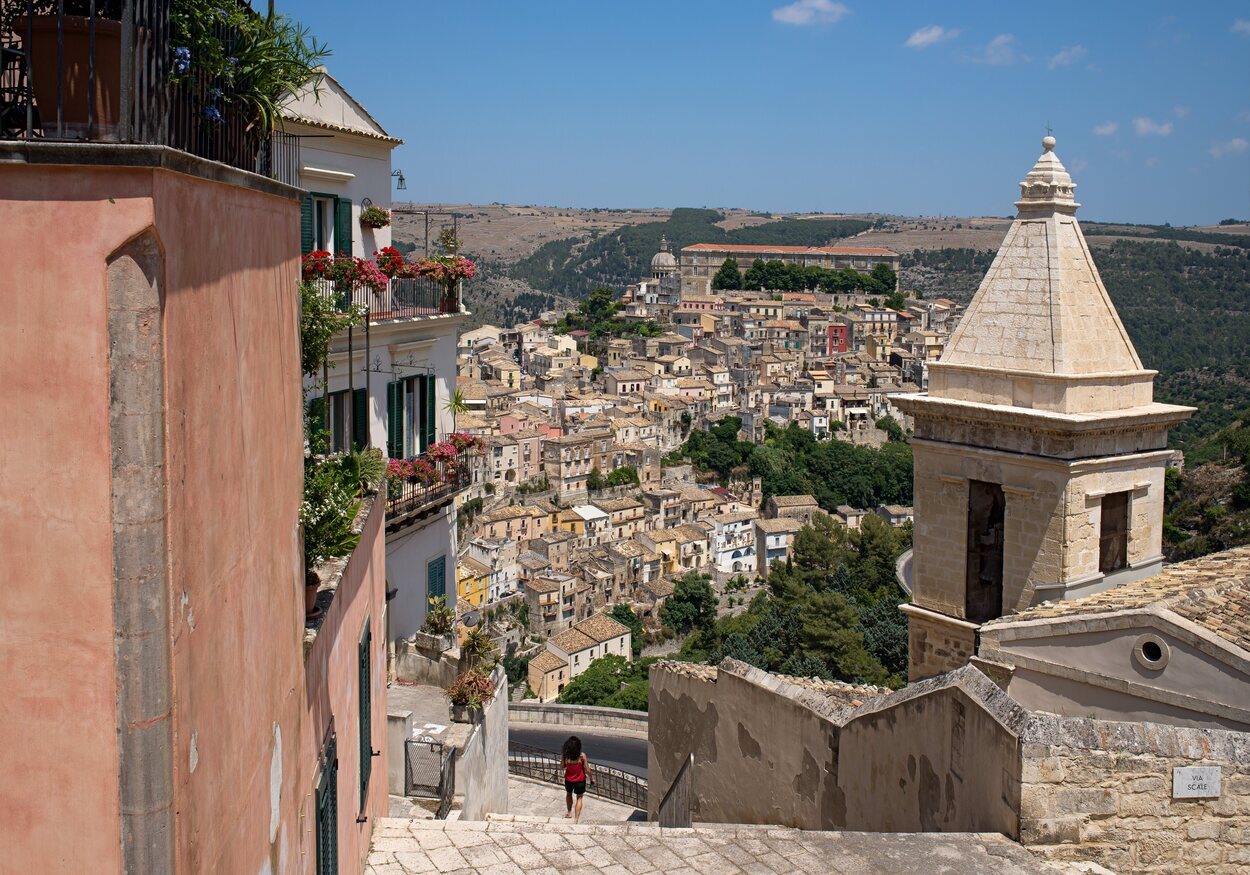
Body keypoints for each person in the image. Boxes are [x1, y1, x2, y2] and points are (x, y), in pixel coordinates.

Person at [560, 735, 594, 822]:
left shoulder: (565, 756)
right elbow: (587, 769)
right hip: (580, 780)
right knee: (579, 797)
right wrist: (592, 778)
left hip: (568, 779)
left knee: (569, 794)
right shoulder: (582, 756)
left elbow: (561, 766)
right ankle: (576, 818)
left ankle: (569, 812)